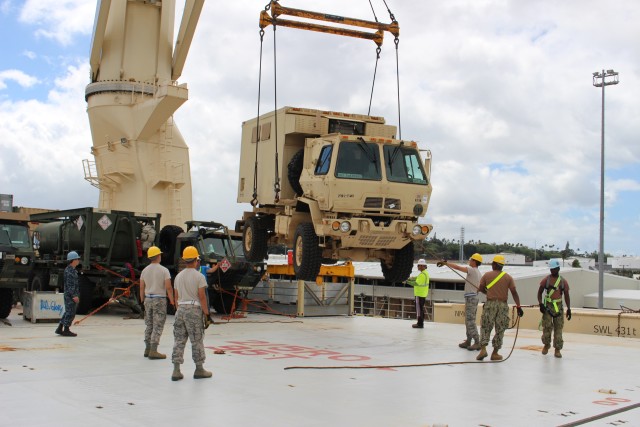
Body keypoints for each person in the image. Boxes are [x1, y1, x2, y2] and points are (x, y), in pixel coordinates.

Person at [171, 246, 213, 381]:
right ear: (196, 260)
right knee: (197, 340)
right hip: (194, 310)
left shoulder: (178, 277)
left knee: (179, 340)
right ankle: (199, 369)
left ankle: (176, 370)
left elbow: (176, 296)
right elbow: (202, 296)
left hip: (180, 310)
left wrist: (179, 310)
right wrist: (206, 314)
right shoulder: (199, 276)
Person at [476, 255, 523, 361]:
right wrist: (519, 306)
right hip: (502, 305)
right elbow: (514, 292)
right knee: (500, 328)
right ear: (502, 266)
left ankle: (483, 349)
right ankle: (495, 353)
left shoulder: (487, 275)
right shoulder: (508, 277)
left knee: (486, 326)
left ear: (494, 264)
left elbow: (481, 289)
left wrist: (489, 292)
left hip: (490, 303)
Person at [438, 253, 483, 350]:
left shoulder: (472, 270)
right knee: (468, 320)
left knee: (470, 321)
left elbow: (458, 268)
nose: (470, 261)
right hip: (473, 297)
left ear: (474, 261)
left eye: (471, 259)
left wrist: (447, 263)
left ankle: (477, 341)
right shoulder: (478, 272)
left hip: (471, 298)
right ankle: (468, 340)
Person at [140, 246, 174, 359]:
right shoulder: (164, 270)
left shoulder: (144, 270)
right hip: (159, 299)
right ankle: (153, 350)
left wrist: (142, 300)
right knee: (158, 325)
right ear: (158, 256)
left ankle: (147, 348)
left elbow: (141, 288)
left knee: (149, 324)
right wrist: (172, 301)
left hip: (148, 299)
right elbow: (168, 287)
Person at [537, 259, 571, 358]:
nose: (552, 271)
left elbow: (567, 295)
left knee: (558, 328)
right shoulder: (546, 280)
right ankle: (546, 344)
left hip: (558, 307)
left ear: (558, 269)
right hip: (548, 306)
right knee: (547, 327)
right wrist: (540, 304)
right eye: (551, 269)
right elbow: (539, 293)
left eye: (554, 269)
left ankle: (557, 349)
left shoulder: (563, 281)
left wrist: (569, 309)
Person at [55, 251, 81, 337]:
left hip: (69, 294)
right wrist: (74, 295)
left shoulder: (72, 270)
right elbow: (70, 285)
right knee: (70, 312)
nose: (78, 260)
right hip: (70, 295)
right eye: (77, 259)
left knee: (68, 312)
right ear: (73, 260)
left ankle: (59, 328)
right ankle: (66, 330)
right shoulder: (69, 271)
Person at [406, 259, 430, 329]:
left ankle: (420, 324)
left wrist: (407, 282)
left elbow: (416, 283)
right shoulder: (425, 273)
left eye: (418, 265)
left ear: (422, 266)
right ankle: (420, 323)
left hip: (419, 294)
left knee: (419, 310)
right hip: (423, 294)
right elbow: (418, 278)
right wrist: (412, 278)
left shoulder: (422, 275)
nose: (417, 267)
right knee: (421, 309)